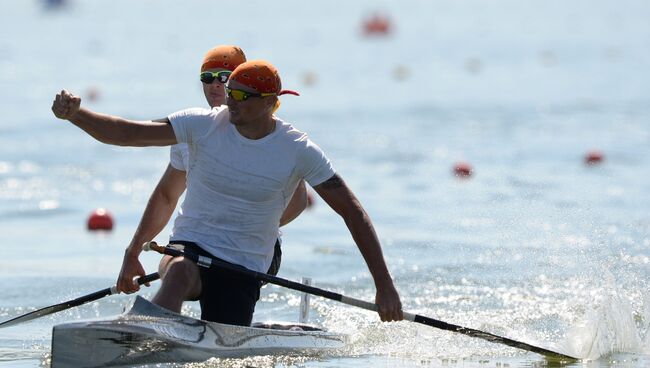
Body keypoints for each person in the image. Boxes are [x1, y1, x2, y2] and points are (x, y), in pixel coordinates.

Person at [51, 59, 403, 325]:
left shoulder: (297, 149)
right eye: (229, 91)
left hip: (244, 264)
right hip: (191, 245)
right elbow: (128, 134)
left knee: (224, 327)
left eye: (240, 96)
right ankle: (144, 331)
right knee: (177, 273)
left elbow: (352, 211)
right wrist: (77, 115)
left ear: (269, 102)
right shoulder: (203, 125)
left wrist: (384, 285)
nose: (228, 101)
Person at [115, 45, 307, 295]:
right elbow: (166, 196)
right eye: (207, 77)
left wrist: (239, 231)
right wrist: (133, 251)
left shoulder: (268, 132)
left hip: (255, 252)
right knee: (179, 274)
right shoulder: (193, 129)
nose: (215, 85)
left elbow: (299, 201)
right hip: (199, 248)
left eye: (224, 78)